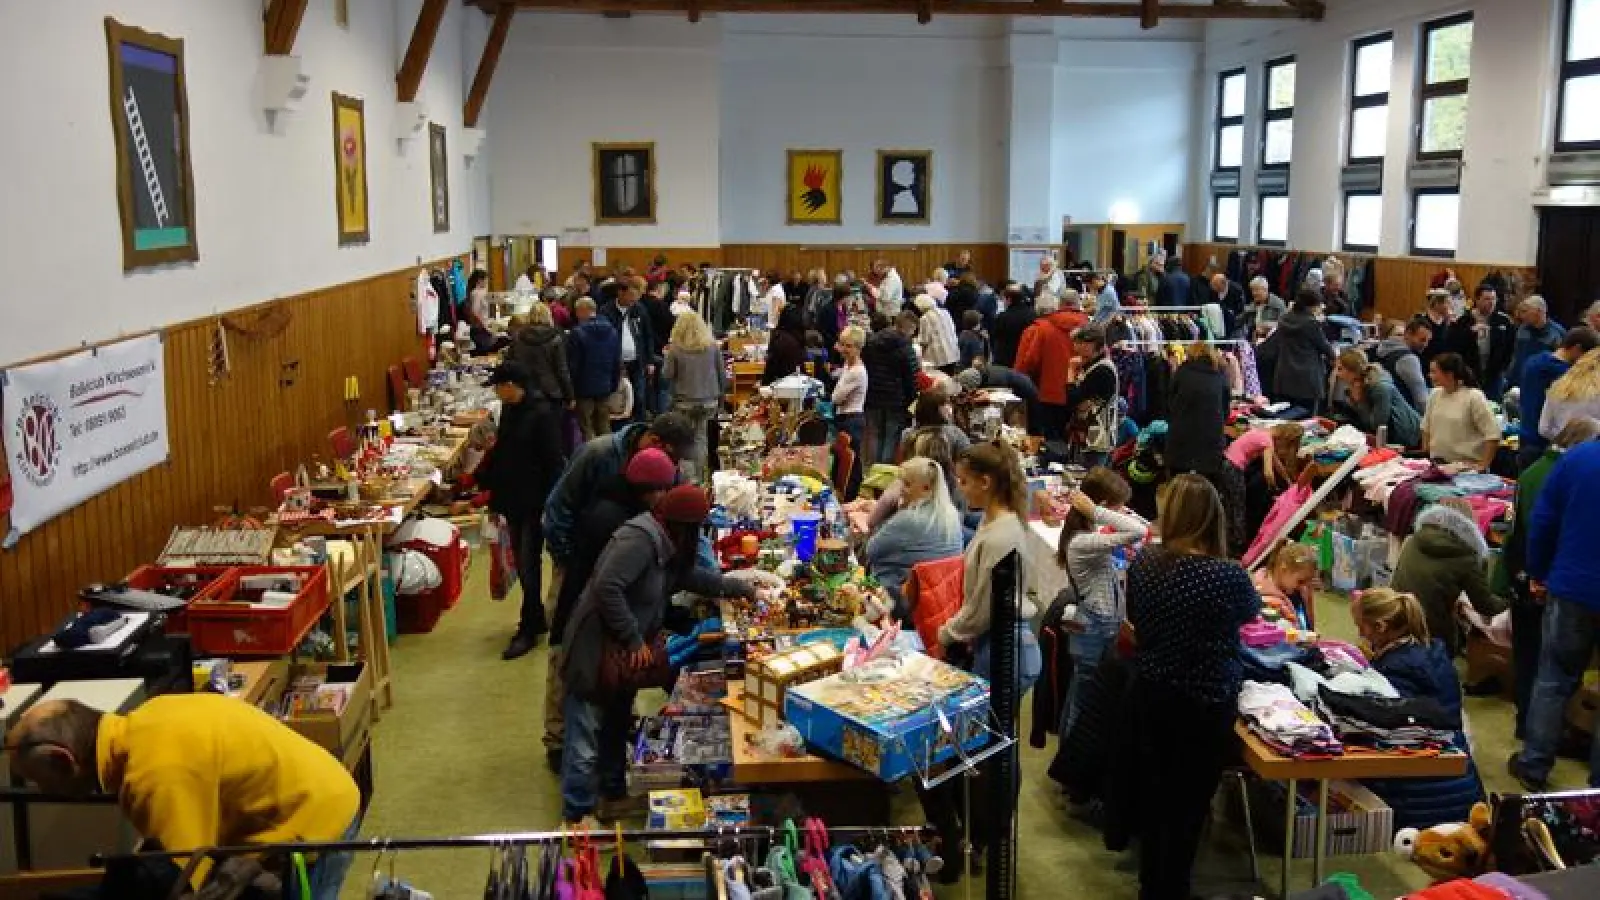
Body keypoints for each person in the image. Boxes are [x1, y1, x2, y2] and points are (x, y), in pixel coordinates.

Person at [4, 695, 361, 897]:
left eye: (40, 781)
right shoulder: (150, 717)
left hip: (319, 820)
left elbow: (183, 883)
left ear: (64, 761)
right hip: (317, 788)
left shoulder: (152, 777)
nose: (44, 792)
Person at [560, 486, 763, 825]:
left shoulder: (667, 544)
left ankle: (611, 798)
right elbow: (607, 587)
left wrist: (739, 587)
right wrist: (634, 638)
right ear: (685, 525)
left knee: (615, 722)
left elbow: (689, 577)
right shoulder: (639, 540)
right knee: (585, 733)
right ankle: (576, 816)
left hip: (621, 652)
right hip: (595, 650)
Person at [1120, 474, 1259, 900]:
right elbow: (1249, 615)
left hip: (1150, 689)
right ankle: (1173, 888)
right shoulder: (1226, 576)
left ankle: (1152, 885)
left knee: (1156, 792)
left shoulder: (1145, 561)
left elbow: (1138, 621)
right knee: (1189, 803)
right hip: (1203, 701)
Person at [543, 447, 678, 773]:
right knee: (582, 707)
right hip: (589, 623)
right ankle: (572, 785)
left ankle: (603, 771)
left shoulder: (627, 509)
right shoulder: (621, 524)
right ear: (652, 490)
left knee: (605, 706)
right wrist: (632, 638)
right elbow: (607, 586)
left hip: (602, 621)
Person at [1351, 589, 1485, 830]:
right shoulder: (1434, 656)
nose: (1359, 633)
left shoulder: (1394, 671)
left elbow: (1387, 734)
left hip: (1419, 806)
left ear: (1380, 628)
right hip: (1465, 790)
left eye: (1362, 626)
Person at [1510, 437, 1600, 790]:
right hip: (1572, 583)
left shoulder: (1577, 458)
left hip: (1572, 588)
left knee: (1553, 679)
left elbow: (1542, 520)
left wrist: (1538, 572)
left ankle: (1534, 765)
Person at [479, 361, 567, 659]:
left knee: (528, 564)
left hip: (534, 503)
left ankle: (528, 627)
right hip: (513, 500)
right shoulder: (510, 411)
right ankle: (536, 617)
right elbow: (504, 454)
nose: (496, 390)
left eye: (499, 385)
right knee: (521, 561)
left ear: (512, 385)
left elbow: (555, 462)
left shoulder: (542, 415)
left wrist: (550, 506)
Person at [1055, 467, 1148, 733]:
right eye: (1119, 508)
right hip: (1096, 625)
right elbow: (1138, 531)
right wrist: (1095, 511)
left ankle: (1068, 756)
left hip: (1095, 621)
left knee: (1079, 692)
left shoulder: (1083, 536)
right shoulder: (1083, 541)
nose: (1123, 513)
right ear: (1104, 506)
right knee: (1084, 701)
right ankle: (1071, 762)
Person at [1390, 498, 1499, 658]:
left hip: (1395, 619)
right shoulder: (1467, 558)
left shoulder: (1412, 541)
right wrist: (1512, 603)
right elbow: (1485, 606)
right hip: (1433, 634)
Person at [863, 456, 965, 617]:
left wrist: (890, 511)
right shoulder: (952, 515)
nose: (901, 489)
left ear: (926, 488)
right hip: (939, 601)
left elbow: (870, 550)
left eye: (907, 484)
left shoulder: (910, 519)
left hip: (901, 601)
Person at [1517, 327, 1599, 468]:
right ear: (1578, 349)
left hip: (1528, 437)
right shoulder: (1566, 376)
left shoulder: (1532, 363)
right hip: (1556, 449)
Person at [661, 312, 725, 485]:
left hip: (684, 401)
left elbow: (667, 375)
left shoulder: (675, 349)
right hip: (709, 399)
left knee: (685, 439)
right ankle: (703, 475)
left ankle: (689, 479)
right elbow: (722, 373)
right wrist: (721, 397)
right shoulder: (712, 347)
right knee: (701, 438)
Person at [1014, 292, 1087, 442]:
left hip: (1049, 393)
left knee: (1051, 442)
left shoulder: (1043, 328)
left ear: (1060, 305)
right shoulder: (1091, 328)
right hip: (1081, 395)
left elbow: (1029, 361)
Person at [1421, 352, 1500, 470]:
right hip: (1437, 465)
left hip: (1466, 469)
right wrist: (1425, 455)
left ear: (1449, 374)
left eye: (1434, 372)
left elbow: (1493, 435)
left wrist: (1483, 465)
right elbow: (1426, 428)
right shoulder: (1434, 394)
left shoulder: (1474, 397)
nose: (1430, 375)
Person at [1164, 341, 1232, 477]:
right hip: (1211, 441)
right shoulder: (1220, 376)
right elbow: (1225, 411)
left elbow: (1170, 404)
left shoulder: (1181, 373)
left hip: (1181, 439)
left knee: (1178, 485)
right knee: (1208, 486)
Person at [1332, 348, 1422, 448]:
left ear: (1353, 371)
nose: (1336, 373)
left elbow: (1377, 425)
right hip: (1387, 436)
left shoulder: (1380, 388)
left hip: (1408, 436)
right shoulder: (1353, 386)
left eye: (1340, 369)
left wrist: (1360, 401)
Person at [861, 313, 919, 466]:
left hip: (872, 396)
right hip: (895, 400)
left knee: (873, 435)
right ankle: (884, 473)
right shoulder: (905, 347)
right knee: (891, 437)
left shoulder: (871, 341)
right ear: (910, 328)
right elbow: (912, 378)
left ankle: (871, 470)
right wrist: (912, 402)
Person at [1269, 290, 1336, 415]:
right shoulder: (1311, 324)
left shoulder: (1283, 319)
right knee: (1307, 423)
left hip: (1284, 376)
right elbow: (1327, 349)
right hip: (1307, 380)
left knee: (1283, 419)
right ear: (1312, 306)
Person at [601, 278, 658, 422]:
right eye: (631, 296)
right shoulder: (606, 311)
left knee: (639, 397)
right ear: (620, 293)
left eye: (635, 296)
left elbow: (648, 336)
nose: (633, 300)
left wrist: (650, 360)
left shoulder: (639, 309)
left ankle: (640, 427)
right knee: (619, 399)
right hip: (617, 363)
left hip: (637, 361)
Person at [1063, 324, 1119, 467]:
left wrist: (1070, 371)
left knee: (1091, 484)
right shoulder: (1091, 366)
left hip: (1096, 440)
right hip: (1089, 437)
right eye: (1076, 341)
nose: (1077, 346)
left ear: (1095, 345)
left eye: (1082, 342)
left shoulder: (1102, 370)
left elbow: (1073, 398)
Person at [567, 297, 622, 442]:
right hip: (605, 386)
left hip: (583, 388)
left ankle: (592, 458)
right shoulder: (612, 331)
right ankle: (609, 454)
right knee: (604, 424)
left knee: (587, 427)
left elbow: (573, 365)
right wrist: (614, 384)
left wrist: (571, 391)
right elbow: (617, 361)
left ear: (582, 311)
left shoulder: (577, 333)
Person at [1446, 284, 1515, 399]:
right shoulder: (1464, 320)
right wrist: (1470, 332)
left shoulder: (1504, 321)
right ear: (1477, 300)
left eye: (1493, 299)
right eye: (1487, 299)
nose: (1491, 302)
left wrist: (1503, 367)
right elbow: (1453, 345)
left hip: (1494, 375)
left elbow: (1510, 346)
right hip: (1470, 374)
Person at [508, 302, 575, 409]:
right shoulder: (555, 338)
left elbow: (510, 365)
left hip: (526, 391)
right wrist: (570, 396)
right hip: (551, 392)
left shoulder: (519, 339)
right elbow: (562, 370)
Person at [831, 326, 868, 500]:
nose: (844, 349)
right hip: (847, 417)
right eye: (842, 344)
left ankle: (849, 501)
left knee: (850, 468)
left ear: (859, 348)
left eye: (849, 346)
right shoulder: (848, 365)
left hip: (851, 419)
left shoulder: (856, 372)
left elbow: (836, 397)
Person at [1540, 346, 1600, 445]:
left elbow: (1543, 429)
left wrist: (1564, 440)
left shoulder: (1558, 387)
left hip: (1562, 451)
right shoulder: (1596, 394)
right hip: (1592, 453)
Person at [1252, 542, 1319, 629]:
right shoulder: (1266, 598)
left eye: (1308, 581)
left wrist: (1309, 599)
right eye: (1301, 581)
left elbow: (1308, 629)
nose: (1303, 586)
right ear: (1284, 569)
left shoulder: (1300, 591)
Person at [1374, 318, 1435, 413]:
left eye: (1428, 340)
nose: (1426, 345)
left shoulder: (1380, 351)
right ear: (1408, 334)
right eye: (1422, 340)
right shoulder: (1408, 359)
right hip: (1404, 417)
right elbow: (1422, 400)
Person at [1510, 295, 1567, 392]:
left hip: (1543, 386)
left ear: (1539, 312)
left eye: (1525, 311)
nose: (1522, 316)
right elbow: (1516, 355)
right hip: (1518, 383)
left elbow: (1562, 363)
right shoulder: (1522, 329)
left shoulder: (1557, 333)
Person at [991, 284, 1036, 369]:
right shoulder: (1033, 314)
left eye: (1004, 298)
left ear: (1009, 299)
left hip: (1006, 358)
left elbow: (996, 336)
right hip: (1026, 355)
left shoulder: (1003, 317)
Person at [913, 293, 960, 374]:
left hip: (938, 357)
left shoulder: (925, 318)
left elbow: (924, 341)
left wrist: (914, 341)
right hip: (952, 352)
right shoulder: (945, 312)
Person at [761, 304, 807, 386]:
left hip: (782, 385)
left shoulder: (779, 338)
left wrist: (764, 385)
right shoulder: (799, 338)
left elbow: (771, 368)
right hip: (799, 383)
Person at [1420, 289, 1455, 369]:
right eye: (1447, 302)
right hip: (1426, 365)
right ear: (1436, 304)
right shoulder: (1422, 321)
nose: (1450, 306)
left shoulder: (1446, 322)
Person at [1206, 272, 1248, 338]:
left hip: (1236, 324)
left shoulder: (1237, 290)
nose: (1212, 288)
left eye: (1215, 285)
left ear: (1223, 284)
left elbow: (1241, 310)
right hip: (1219, 322)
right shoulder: (1213, 291)